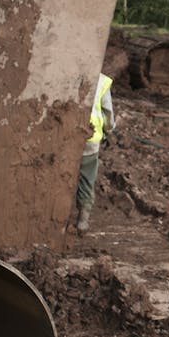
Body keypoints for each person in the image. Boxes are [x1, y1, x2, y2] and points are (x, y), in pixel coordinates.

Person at [74, 73, 115, 232]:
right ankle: (83, 219)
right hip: (90, 137)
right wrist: (109, 129)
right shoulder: (102, 80)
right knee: (87, 176)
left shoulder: (70, 71)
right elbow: (108, 114)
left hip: (67, 134)